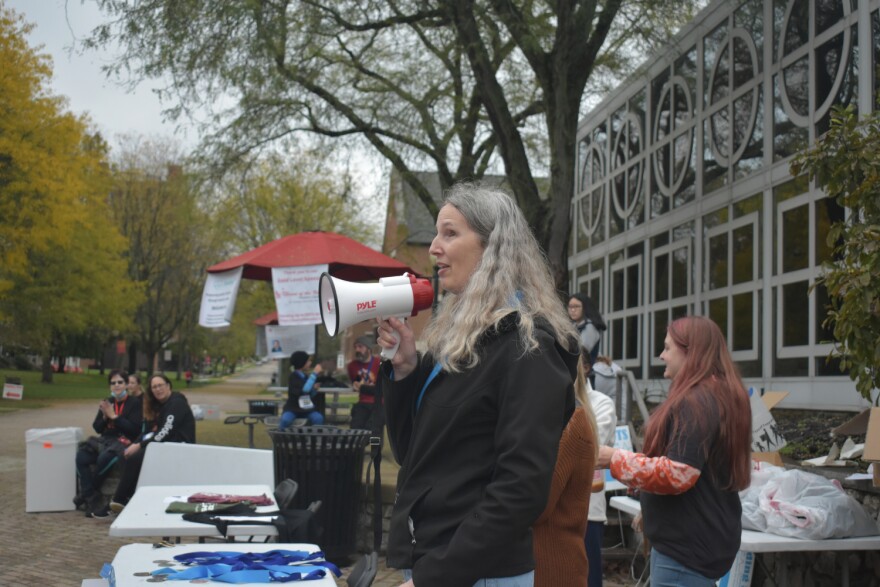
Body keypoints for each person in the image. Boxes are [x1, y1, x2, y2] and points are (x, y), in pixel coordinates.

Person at [377, 183, 581, 587]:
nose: (434, 248)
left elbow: (520, 491)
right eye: (436, 233)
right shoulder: (457, 344)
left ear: (492, 246)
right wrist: (405, 371)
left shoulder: (528, 348)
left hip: (477, 574)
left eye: (450, 233)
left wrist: (435, 576)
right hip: (440, 563)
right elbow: (412, 455)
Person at [596, 316, 752, 586]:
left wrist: (615, 459)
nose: (661, 355)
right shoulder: (719, 395)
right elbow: (699, 472)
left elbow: (678, 473)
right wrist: (653, 509)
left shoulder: (696, 401)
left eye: (668, 348)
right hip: (700, 545)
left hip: (684, 554)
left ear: (691, 352)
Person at [533, 362, 598, 587]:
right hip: (545, 566)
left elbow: (538, 504)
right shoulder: (559, 416)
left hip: (555, 570)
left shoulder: (571, 420)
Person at [96, 373, 196, 516]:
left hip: (180, 448)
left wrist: (140, 445)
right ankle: (125, 499)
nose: (158, 389)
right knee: (125, 455)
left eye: (160, 385)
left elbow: (164, 432)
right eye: (154, 387)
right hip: (164, 446)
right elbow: (148, 431)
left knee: (135, 457)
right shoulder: (158, 406)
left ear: (168, 386)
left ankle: (119, 500)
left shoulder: (176, 403)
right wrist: (136, 443)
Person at [74, 370, 143, 518]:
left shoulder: (134, 403)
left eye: (120, 382)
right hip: (104, 441)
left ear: (126, 385)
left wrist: (114, 417)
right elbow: (97, 427)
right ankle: (90, 495)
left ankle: (86, 496)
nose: (116, 385)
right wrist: (105, 417)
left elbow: (135, 429)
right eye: (113, 383)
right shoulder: (108, 402)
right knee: (81, 457)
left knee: (104, 458)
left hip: (122, 441)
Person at [584, 357, 617, 587]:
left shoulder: (602, 403)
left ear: (586, 368)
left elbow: (591, 448)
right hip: (550, 508)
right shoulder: (547, 399)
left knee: (588, 578)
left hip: (588, 510)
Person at [567, 293, 607, 381]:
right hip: (574, 374)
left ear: (585, 307)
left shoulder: (590, 327)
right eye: (570, 306)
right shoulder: (573, 326)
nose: (573, 310)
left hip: (584, 376)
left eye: (576, 306)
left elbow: (582, 352)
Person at [279, 351, 324, 428]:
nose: (310, 363)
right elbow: (305, 390)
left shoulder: (305, 377)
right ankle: (281, 434)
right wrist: (314, 373)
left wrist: (313, 389)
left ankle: (314, 435)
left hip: (306, 409)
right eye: (308, 361)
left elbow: (308, 394)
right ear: (302, 362)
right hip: (293, 408)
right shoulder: (294, 376)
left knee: (318, 418)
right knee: (285, 420)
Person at [347, 334, 381, 430]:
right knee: (355, 428)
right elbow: (356, 384)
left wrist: (362, 387)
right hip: (363, 402)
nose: (357, 350)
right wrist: (356, 384)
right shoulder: (352, 366)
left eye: (360, 347)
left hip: (379, 403)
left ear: (369, 349)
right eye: (355, 347)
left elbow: (381, 389)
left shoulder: (379, 363)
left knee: (372, 428)